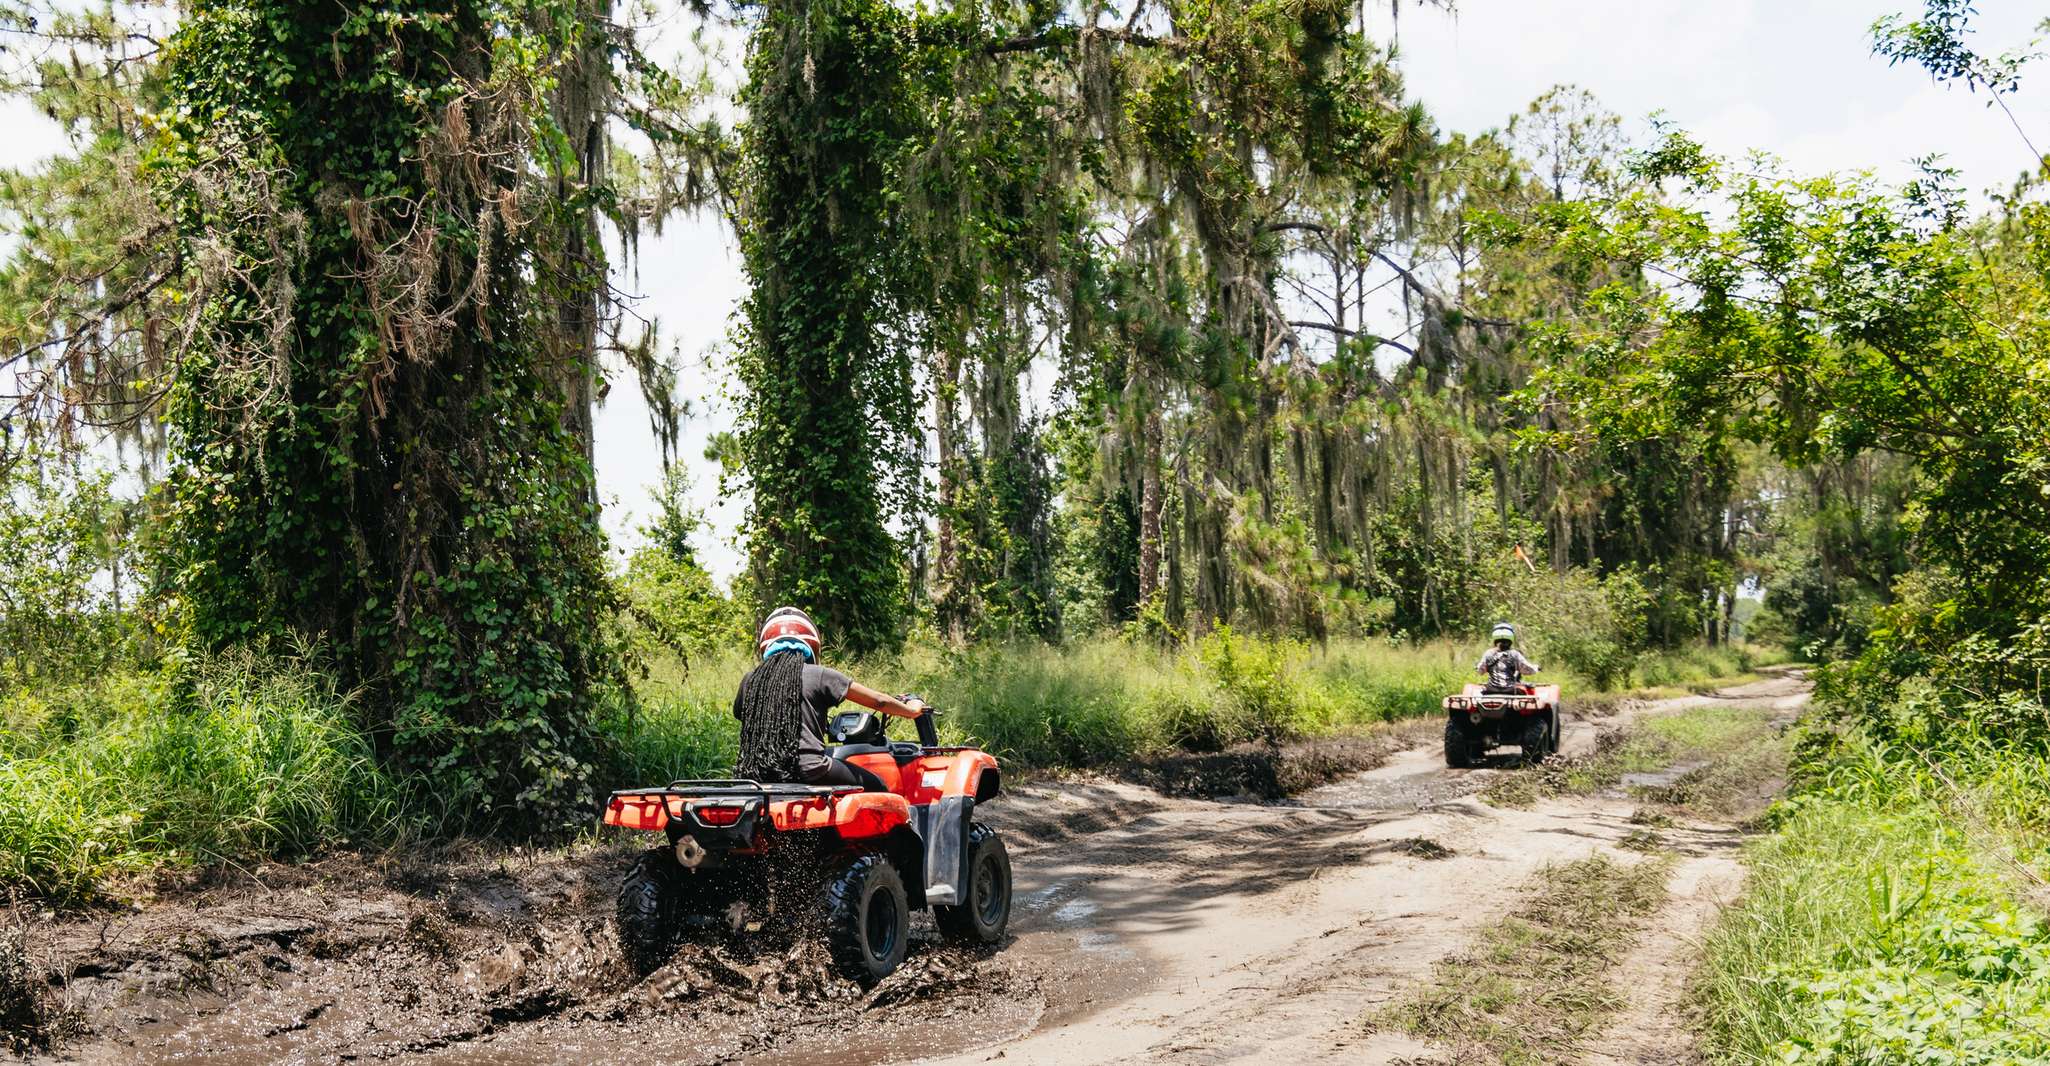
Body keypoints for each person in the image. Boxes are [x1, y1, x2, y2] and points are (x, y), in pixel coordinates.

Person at [732, 606, 926, 791]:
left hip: (759, 773)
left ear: (766, 648)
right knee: (879, 785)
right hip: (811, 769)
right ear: (812, 646)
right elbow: (879, 702)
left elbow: (742, 714)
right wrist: (912, 709)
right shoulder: (819, 675)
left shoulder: (750, 680)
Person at [1476, 622, 1540, 694]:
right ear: (1510, 640)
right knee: (1524, 692)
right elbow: (1527, 669)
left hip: (1491, 689)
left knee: (1481, 692)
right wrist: (1536, 668)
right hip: (1510, 690)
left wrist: (1477, 666)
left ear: (1495, 639)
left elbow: (1480, 670)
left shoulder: (1488, 653)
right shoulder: (1514, 654)